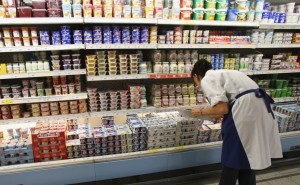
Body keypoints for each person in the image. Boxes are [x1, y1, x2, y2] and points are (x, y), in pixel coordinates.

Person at [191, 59, 283, 185]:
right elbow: (224, 107)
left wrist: (200, 112)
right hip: (259, 107)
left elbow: (222, 108)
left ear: (196, 76)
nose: (198, 86)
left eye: (195, 82)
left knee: (232, 155)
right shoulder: (225, 73)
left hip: (244, 110)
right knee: (248, 154)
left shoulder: (207, 78)